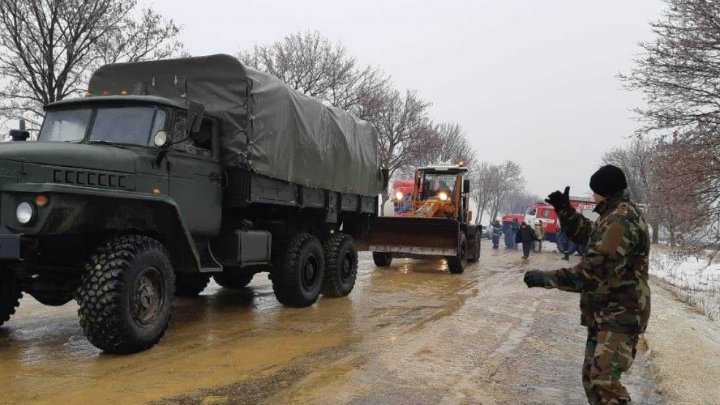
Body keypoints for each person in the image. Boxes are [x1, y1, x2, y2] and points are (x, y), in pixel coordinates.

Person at [523, 165, 651, 405]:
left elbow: (593, 272)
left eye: (594, 191)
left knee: (604, 383)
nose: (592, 196)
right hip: (605, 312)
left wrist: (546, 278)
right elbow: (590, 235)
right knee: (592, 381)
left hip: (621, 314)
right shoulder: (612, 215)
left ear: (602, 191)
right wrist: (566, 212)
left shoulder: (621, 220)